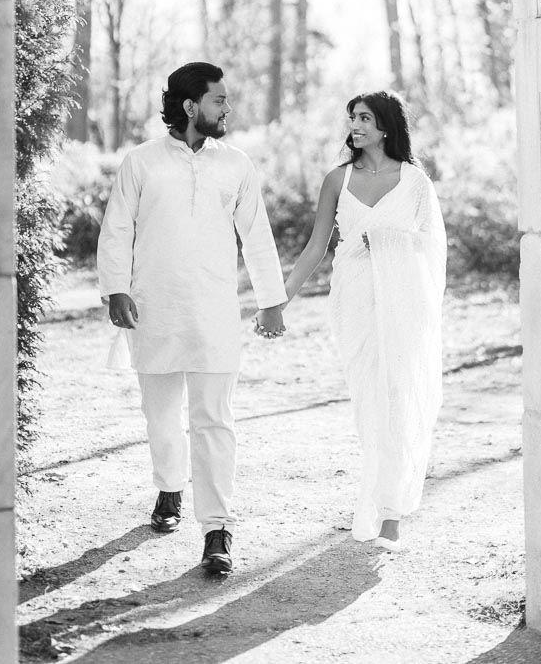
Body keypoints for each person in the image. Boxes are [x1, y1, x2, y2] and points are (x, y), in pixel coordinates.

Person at [97, 62, 287, 576]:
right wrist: (115, 288)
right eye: (218, 100)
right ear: (190, 106)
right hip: (153, 308)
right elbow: (116, 229)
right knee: (160, 418)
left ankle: (217, 529)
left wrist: (272, 299)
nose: (227, 108)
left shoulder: (236, 164)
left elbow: (258, 235)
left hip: (214, 312)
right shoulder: (141, 162)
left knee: (214, 422)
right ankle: (168, 486)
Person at [283, 90, 446, 551]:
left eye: (365, 118)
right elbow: (316, 247)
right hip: (353, 297)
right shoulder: (337, 179)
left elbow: (431, 248)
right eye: (352, 117)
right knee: (370, 402)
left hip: (404, 301)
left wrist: (387, 239)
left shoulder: (415, 183)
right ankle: (377, 501)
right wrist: (280, 299)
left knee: (397, 394)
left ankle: (391, 515)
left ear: (387, 126)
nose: (355, 125)